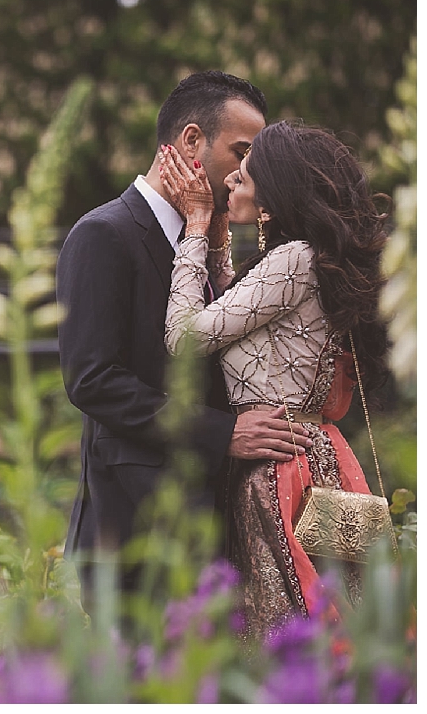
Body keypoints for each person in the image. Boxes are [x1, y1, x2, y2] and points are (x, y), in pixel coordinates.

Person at [56, 71, 313, 619]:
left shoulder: (210, 242)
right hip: (134, 528)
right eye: (241, 152)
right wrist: (225, 434)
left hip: (210, 521)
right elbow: (92, 380)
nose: (248, 173)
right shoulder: (104, 233)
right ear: (191, 143)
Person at [160, 120, 391, 638]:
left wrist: (195, 231)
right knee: (327, 618)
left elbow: (184, 338)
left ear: (273, 193)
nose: (230, 183)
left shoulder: (293, 259)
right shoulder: (311, 260)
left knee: (284, 628)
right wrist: (219, 248)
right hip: (315, 455)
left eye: (243, 176)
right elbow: (245, 317)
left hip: (279, 468)